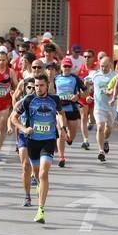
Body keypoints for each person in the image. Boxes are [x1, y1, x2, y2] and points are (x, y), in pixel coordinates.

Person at [11, 73, 66, 223]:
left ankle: (41, 209)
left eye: (41, 85)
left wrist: (63, 127)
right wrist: (23, 129)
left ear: (47, 85)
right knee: (36, 174)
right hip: (33, 142)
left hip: (48, 140)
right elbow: (13, 118)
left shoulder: (54, 99)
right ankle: (39, 188)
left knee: (43, 174)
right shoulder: (28, 100)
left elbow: (61, 113)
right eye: (36, 85)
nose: (38, 88)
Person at [9, 77, 37, 206]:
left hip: (39, 137)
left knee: (37, 169)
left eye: (34, 87)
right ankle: (27, 196)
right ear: (25, 89)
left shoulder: (43, 102)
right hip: (23, 136)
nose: (32, 90)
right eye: (29, 87)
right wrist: (18, 128)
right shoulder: (21, 102)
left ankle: (38, 184)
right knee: (25, 166)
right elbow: (13, 117)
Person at [54, 56, 86, 167]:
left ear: (71, 67)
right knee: (60, 132)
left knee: (73, 129)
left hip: (72, 108)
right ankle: (61, 157)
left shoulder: (75, 78)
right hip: (60, 108)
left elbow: (85, 91)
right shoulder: (56, 78)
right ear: (61, 67)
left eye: (69, 66)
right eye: (65, 66)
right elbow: (51, 92)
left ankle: (70, 138)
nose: (67, 68)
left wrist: (77, 96)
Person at [87, 57, 115, 162]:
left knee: (108, 129)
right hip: (99, 107)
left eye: (106, 66)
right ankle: (101, 151)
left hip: (111, 107)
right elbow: (85, 83)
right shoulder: (95, 74)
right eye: (102, 66)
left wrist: (112, 92)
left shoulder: (115, 76)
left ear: (110, 65)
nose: (103, 68)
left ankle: (106, 140)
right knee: (100, 127)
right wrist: (88, 95)